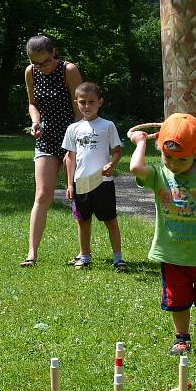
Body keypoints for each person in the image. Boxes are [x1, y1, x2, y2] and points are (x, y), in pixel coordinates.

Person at [128, 113, 196, 356]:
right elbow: (135, 167)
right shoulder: (159, 174)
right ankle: (182, 337)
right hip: (172, 255)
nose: (173, 164)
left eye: (181, 159)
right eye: (168, 157)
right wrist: (140, 143)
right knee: (177, 300)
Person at [21, 34, 82, 267]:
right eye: (36, 63)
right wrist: (35, 121)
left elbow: (80, 107)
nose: (41, 67)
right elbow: (32, 103)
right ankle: (32, 254)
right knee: (42, 194)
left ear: (53, 52)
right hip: (46, 139)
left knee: (76, 194)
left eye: (45, 62)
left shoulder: (69, 70)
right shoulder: (31, 72)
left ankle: (82, 253)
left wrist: (73, 144)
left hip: (72, 137)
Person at [62, 82, 126, 271]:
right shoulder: (73, 129)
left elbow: (117, 151)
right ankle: (85, 256)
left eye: (91, 102)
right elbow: (70, 158)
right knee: (83, 221)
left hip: (103, 183)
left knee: (111, 221)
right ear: (76, 102)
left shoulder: (107, 126)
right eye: (82, 102)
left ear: (100, 102)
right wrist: (70, 184)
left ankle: (118, 258)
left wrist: (111, 164)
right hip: (81, 183)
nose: (87, 106)